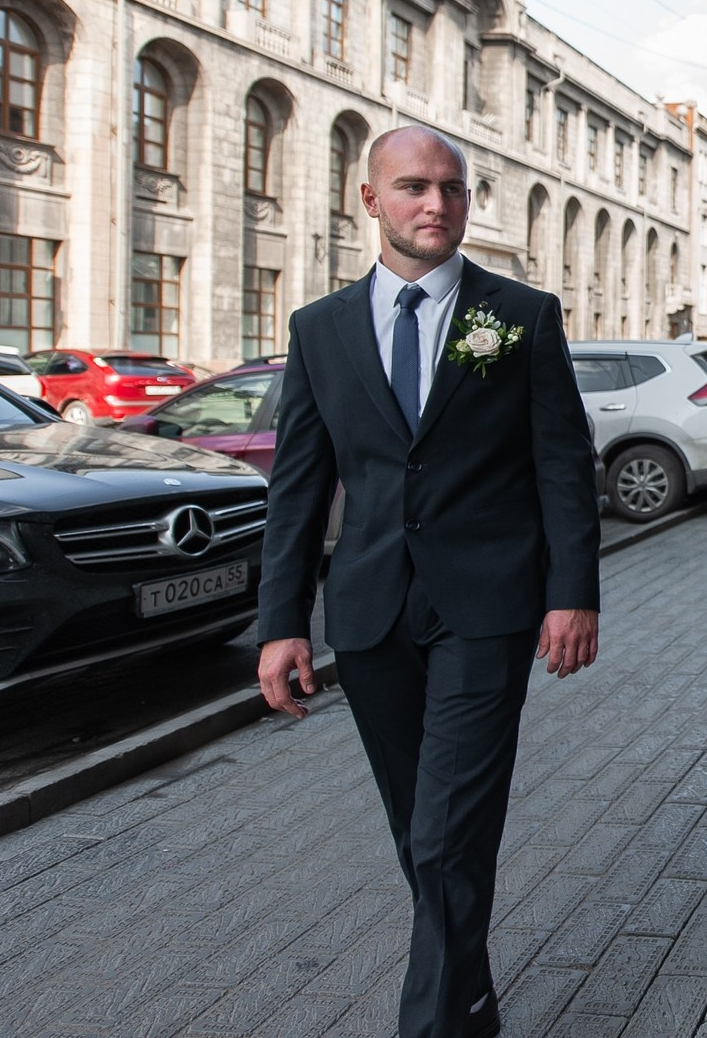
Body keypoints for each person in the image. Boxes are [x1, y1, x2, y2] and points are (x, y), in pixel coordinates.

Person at [256, 127, 600, 1038]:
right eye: (414, 187)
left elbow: (562, 464)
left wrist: (575, 592)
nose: (436, 204)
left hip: (487, 609)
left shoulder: (520, 315)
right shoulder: (319, 330)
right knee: (425, 832)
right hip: (369, 615)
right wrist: (281, 622)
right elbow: (298, 486)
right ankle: (472, 1000)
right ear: (370, 200)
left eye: (452, 187)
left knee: (447, 830)